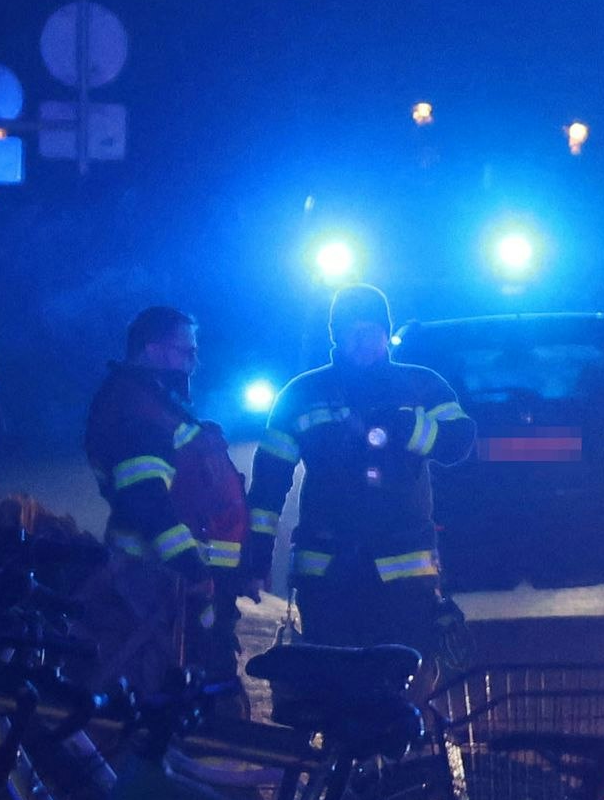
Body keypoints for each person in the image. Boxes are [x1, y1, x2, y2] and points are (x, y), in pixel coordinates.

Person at [242, 284, 476, 651]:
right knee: (332, 678)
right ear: (336, 335)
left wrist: (407, 427)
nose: (363, 341)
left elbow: (458, 442)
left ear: (386, 333)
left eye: (371, 331)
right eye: (353, 332)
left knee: (402, 676)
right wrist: (256, 560)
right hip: (326, 574)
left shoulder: (421, 385)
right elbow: (268, 487)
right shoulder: (301, 394)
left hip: (405, 576)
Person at [83, 305, 251, 692]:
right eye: (186, 351)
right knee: (177, 684)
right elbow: (146, 499)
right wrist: (192, 569)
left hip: (176, 579)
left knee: (202, 680)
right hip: (156, 579)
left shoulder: (153, 402)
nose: (194, 362)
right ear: (153, 349)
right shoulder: (136, 407)